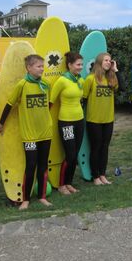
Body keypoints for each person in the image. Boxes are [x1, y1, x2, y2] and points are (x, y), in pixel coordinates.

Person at [0, 54, 53, 209]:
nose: (42, 68)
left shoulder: (46, 84)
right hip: (30, 136)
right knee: (31, 165)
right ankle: (26, 199)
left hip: (46, 132)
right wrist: (1, 123)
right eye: (39, 66)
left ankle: (42, 196)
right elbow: (9, 104)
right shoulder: (21, 85)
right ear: (29, 68)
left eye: (43, 66)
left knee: (42, 166)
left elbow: (49, 104)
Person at [83, 52, 121, 185]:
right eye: (106, 60)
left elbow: (119, 88)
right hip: (94, 120)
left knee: (105, 147)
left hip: (108, 119)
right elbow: (83, 98)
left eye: (110, 61)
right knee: (96, 147)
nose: (108, 62)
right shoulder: (90, 79)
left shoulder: (111, 79)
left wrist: (115, 70)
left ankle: (103, 174)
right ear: (99, 62)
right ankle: (95, 176)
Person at [50, 52, 85, 195]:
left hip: (79, 121)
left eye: (82, 64)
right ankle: (61, 185)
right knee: (70, 155)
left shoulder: (79, 80)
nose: (80, 67)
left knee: (75, 154)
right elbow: (51, 101)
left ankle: (69, 183)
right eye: (78, 65)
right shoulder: (62, 81)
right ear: (69, 65)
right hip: (66, 122)